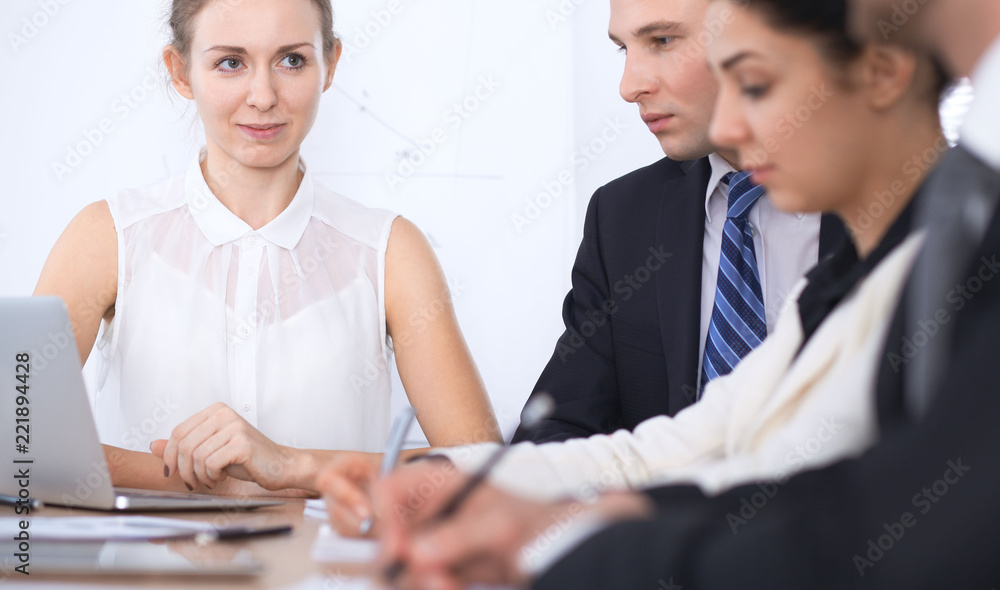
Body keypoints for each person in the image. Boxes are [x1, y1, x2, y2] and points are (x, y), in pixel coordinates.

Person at [368, 0, 1000, 587]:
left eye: (753, 83)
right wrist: (455, 478)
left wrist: (565, 539)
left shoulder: (951, 263)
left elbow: (846, 516)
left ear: (882, 73)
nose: (728, 122)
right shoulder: (838, 282)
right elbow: (696, 445)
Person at [318, 0, 846, 533]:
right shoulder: (623, 218)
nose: (629, 85)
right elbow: (584, 437)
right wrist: (444, 477)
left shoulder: (901, 226)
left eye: (662, 40)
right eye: (623, 48)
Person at [32, 0, 501, 496]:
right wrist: (223, 484)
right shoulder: (109, 236)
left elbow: (481, 465)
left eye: (292, 60)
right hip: (152, 575)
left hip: (328, 573)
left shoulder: (389, 251)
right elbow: (16, 443)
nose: (263, 96)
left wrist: (289, 465)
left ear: (330, 63)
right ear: (180, 71)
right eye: (230, 63)